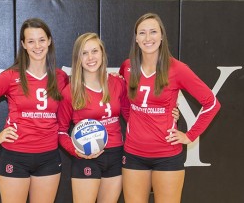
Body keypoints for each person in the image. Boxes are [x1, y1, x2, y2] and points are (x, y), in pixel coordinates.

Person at [57, 33, 180, 203]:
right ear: (78, 58)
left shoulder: (118, 83)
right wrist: (76, 151)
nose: (90, 57)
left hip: (116, 154)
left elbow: (134, 114)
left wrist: (168, 113)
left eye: (95, 51)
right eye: (84, 53)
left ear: (102, 54)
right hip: (87, 157)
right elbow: (61, 131)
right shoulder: (70, 92)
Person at [119, 13, 221, 203]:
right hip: (133, 154)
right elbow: (123, 98)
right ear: (136, 38)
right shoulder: (127, 66)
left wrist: (189, 135)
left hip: (167, 155)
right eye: (142, 33)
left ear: (162, 36)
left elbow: (212, 103)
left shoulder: (177, 69)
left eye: (153, 32)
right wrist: (132, 118)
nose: (148, 38)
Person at [0, 18, 68, 203]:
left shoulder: (61, 78)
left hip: (49, 157)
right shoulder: (10, 76)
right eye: (31, 41)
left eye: (42, 39)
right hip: (15, 156)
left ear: (50, 41)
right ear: (23, 44)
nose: (37, 46)